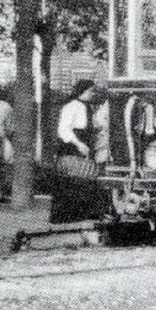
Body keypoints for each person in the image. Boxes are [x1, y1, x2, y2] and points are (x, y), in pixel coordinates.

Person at [51, 81, 109, 223]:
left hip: (85, 150)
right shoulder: (71, 107)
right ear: (82, 91)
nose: (92, 94)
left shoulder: (89, 107)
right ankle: (68, 216)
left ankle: (84, 215)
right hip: (72, 150)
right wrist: (78, 144)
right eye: (90, 91)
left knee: (87, 179)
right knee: (74, 179)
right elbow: (63, 129)